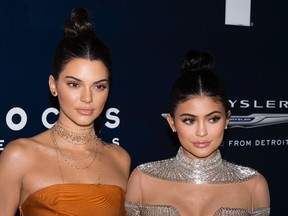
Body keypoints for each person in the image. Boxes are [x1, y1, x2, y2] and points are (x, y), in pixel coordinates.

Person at [0, 6, 130, 216]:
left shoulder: (120, 159)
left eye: (99, 86)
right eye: (74, 84)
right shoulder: (19, 156)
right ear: (53, 85)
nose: (87, 98)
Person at [125, 50, 270, 215]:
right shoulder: (142, 180)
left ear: (227, 119)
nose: (202, 132)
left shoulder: (253, 185)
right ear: (172, 122)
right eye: (189, 120)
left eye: (213, 119)